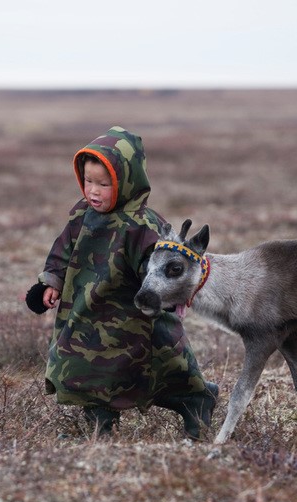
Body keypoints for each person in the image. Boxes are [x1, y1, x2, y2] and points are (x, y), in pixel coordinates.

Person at [26, 126, 217, 439]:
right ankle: (100, 426)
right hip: (85, 310)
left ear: (126, 181)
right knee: (82, 366)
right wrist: (51, 283)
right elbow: (62, 251)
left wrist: (159, 291)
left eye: (104, 183)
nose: (94, 191)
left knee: (150, 370)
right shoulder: (81, 215)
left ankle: (196, 400)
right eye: (89, 181)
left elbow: (156, 265)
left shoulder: (142, 224)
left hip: (132, 317)